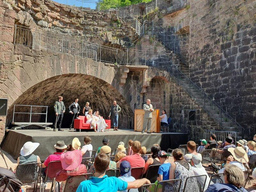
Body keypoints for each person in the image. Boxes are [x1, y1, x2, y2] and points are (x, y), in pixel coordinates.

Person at [76, 153, 150, 192]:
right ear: (108, 167)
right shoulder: (114, 181)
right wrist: (145, 180)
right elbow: (135, 184)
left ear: (94, 165)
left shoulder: (84, 185)